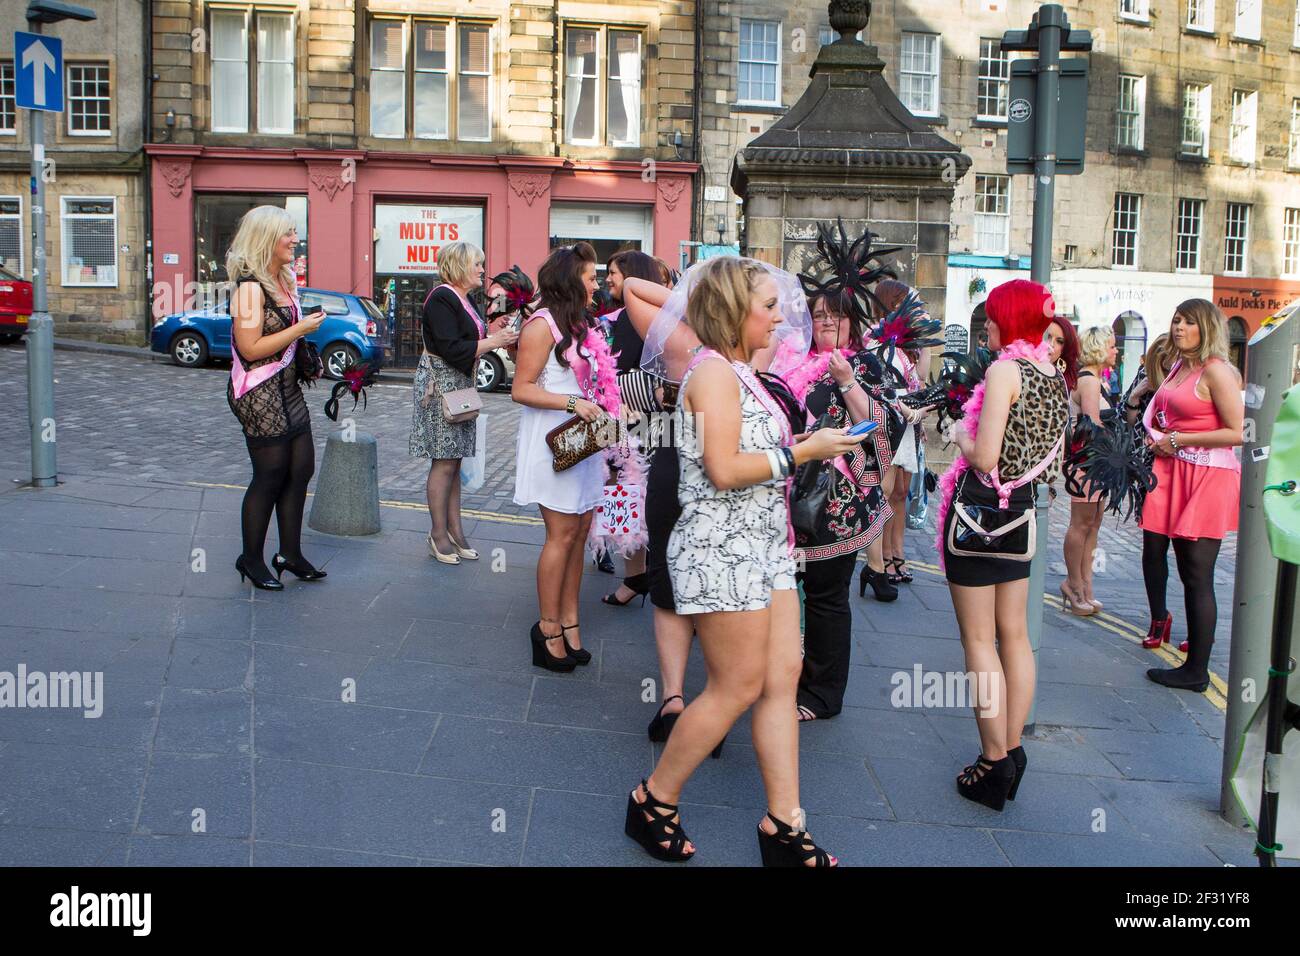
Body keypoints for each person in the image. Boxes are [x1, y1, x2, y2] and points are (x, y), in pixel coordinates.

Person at [623, 256, 861, 866]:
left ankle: (784, 826)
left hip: (766, 547)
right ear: (734, 311)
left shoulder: (741, 372)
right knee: (736, 688)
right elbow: (724, 468)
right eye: (770, 306)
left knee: (782, 680)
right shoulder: (711, 374)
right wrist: (803, 450)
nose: (783, 316)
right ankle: (653, 800)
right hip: (720, 550)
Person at [938, 279, 1069, 810]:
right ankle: (1012, 749)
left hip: (977, 514)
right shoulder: (1052, 373)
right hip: (1020, 515)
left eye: (992, 318)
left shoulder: (1003, 370)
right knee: (1014, 635)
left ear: (1010, 319)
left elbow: (986, 456)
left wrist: (957, 436)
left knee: (978, 641)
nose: (986, 326)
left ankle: (993, 760)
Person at [776, 289, 895, 720]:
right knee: (786, 594)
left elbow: (885, 427)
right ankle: (783, 677)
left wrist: (847, 381)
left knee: (827, 598)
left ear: (853, 322)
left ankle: (822, 694)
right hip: (789, 498)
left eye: (836, 316)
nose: (826, 322)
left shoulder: (867, 364)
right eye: (819, 315)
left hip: (840, 508)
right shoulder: (787, 360)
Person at [512, 245, 609, 672]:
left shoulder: (580, 324)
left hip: (583, 442)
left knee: (581, 530)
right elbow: (521, 389)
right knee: (561, 534)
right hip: (553, 443)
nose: (597, 284)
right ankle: (547, 627)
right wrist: (572, 401)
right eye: (591, 277)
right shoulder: (540, 326)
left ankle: (571, 621)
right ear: (573, 281)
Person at [1140, 300, 1243, 692]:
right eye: (1176, 320)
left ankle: (1197, 669)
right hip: (1176, 470)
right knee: (1186, 572)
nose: (1179, 327)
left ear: (1207, 328)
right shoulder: (1182, 366)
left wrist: (1179, 439)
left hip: (1206, 476)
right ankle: (1192, 662)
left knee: (1198, 575)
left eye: (1188, 322)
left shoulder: (1217, 371)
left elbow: (1237, 432)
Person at [226, 205, 327, 591]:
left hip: (287, 389)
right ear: (267, 238)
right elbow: (250, 349)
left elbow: (285, 339)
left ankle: (290, 554)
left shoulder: (282, 278)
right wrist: (300, 328)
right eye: (288, 233)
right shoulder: (250, 287)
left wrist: (304, 354)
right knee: (269, 476)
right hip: (258, 393)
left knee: (300, 469)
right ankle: (250, 559)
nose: (294, 240)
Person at [411, 241, 518, 565]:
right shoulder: (442, 297)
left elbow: (467, 340)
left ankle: (454, 531)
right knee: (444, 461)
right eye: (477, 264)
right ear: (459, 265)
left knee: (454, 460)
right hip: (441, 387)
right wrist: (494, 341)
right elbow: (451, 348)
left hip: (457, 385)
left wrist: (498, 333)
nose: (483, 270)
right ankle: (438, 534)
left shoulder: (461, 297)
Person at [600, 250, 671, 607]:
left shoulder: (658, 319)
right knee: (618, 497)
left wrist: (625, 389)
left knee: (655, 507)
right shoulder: (611, 321)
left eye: (614, 273)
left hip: (655, 428)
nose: (608, 279)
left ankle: (659, 580)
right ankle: (633, 577)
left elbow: (667, 380)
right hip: (615, 428)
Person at [1122, 335, 1186, 651]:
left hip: (1186, 472)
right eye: (1158, 360)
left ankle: (1199, 630)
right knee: (1153, 549)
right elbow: (1127, 421)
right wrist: (1137, 394)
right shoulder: (1146, 379)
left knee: (1191, 556)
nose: (1163, 366)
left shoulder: (1187, 381)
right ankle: (1158, 618)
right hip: (1150, 475)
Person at [869, 279, 931, 586]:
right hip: (890, 422)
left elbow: (920, 379)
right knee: (887, 489)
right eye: (910, 304)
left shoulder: (908, 344)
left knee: (902, 492)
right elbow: (883, 386)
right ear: (893, 306)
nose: (917, 310)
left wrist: (925, 341)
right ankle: (880, 560)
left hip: (910, 423)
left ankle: (897, 552)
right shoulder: (878, 341)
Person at [1060, 327, 1118, 614]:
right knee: (1082, 524)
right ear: (1099, 349)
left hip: (1094, 463)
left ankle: (1085, 585)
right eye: (1112, 346)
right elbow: (1094, 426)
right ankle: (1074, 584)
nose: (1116, 351)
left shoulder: (1095, 381)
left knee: (1092, 525)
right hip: (1086, 462)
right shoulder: (1090, 382)